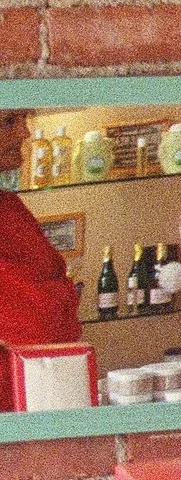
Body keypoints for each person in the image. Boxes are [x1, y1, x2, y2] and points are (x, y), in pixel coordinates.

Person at [0, 111, 84, 350]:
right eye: (8, 122)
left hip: (45, 368)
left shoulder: (10, 206)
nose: (24, 133)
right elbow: (32, 317)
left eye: (23, 119)